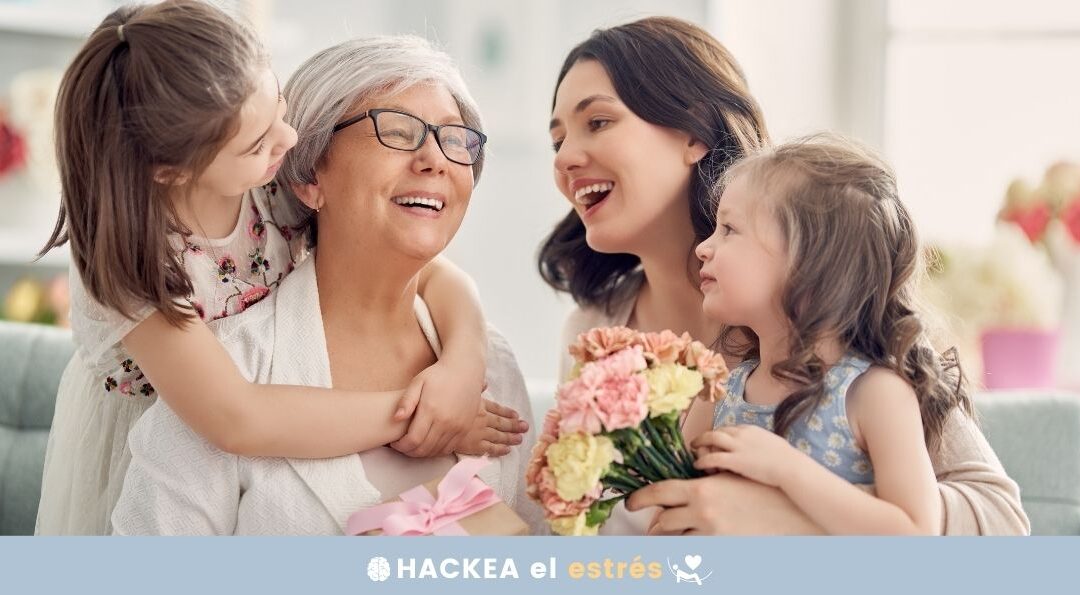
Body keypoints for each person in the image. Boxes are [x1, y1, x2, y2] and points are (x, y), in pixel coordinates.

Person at [36, 1, 516, 535]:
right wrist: (424, 419)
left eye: (281, 112)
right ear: (170, 170)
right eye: (259, 142)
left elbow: (429, 268)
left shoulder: (265, 184)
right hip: (178, 419)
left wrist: (462, 365)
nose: (288, 144)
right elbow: (239, 418)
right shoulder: (133, 262)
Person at [542, 16, 1028, 535]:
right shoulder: (592, 334)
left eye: (598, 122)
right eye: (556, 141)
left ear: (692, 133)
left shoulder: (836, 331)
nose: (566, 158)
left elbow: (1002, 524)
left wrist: (785, 514)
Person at [689, 133, 963, 533]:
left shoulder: (873, 394)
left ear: (812, 263)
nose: (704, 247)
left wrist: (786, 469)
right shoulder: (717, 393)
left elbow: (916, 533)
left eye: (729, 229)